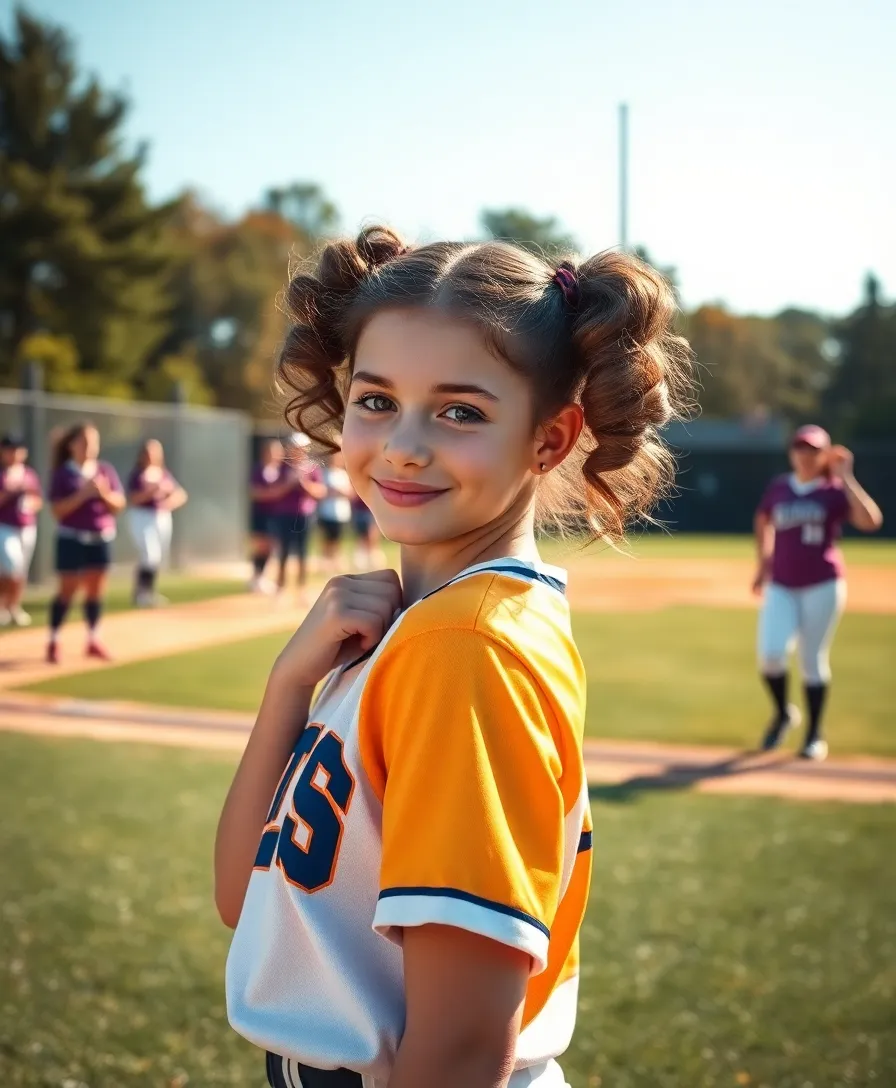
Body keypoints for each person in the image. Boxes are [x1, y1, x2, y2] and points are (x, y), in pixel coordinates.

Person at [216, 226, 694, 1088]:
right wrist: (291, 682)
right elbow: (245, 903)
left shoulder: (465, 646)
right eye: (374, 400)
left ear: (550, 441)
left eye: (460, 411)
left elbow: (464, 1047)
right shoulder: (430, 626)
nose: (403, 443)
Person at [753, 424, 883, 760]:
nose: (804, 454)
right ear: (791, 452)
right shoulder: (780, 487)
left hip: (822, 585)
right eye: (799, 447)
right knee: (770, 655)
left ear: (824, 454)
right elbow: (763, 519)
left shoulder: (833, 490)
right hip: (781, 583)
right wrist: (763, 563)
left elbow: (870, 521)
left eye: (812, 448)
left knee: (812, 660)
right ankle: (783, 714)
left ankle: (813, 735)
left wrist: (847, 477)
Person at [47, 422, 126, 664]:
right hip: (71, 537)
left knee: (95, 590)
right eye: (84, 441)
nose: (90, 447)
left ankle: (93, 639)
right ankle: (54, 640)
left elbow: (119, 505)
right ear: (72, 445)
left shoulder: (104, 470)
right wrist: (83, 494)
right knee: (68, 590)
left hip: (100, 537)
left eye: (94, 442)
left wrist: (102, 494)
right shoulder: (63, 473)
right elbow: (58, 510)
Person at [126, 439, 188, 607]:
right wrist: (151, 492)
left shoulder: (163, 473)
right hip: (142, 516)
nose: (150, 455)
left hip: (161, 516)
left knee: (157, 557)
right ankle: (141, 593)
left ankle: (148, 592)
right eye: (147, 452)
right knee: (149, 554)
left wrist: (168, 503)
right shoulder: (138, 474)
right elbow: (133, 498)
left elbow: (181, 494)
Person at [270, 433, 326, 598]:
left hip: (304, 515)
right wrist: (288, 484)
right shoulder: (282, 467)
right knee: (284, 552)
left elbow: (320, 492)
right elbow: (274, 491)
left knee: (303, 552)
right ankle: (280, 588)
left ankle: (302, 589)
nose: (297, 451)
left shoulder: (312, 467)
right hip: (284, 514)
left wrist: (304, 484)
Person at [0, 434, 42, 627]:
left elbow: (38, 501)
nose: (15, 453)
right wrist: (11, 492)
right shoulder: (2, 474)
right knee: (11, 564)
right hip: (5, 525)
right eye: (10, 449)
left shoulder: (29, 474)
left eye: (18, 449)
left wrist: (30, 501)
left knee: (21, 570)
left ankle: (14, 607)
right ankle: (3, 606)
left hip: (27, 526)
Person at [248, 440, 286, 593]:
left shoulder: (282, 470)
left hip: (276, 514)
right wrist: (274, 493)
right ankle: (256, 576)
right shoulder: (258, 470)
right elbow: (255, 492)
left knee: (271, 545)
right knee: (260, 546)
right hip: (261, 513)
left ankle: (262, 576)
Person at [316, 448, 354, 571]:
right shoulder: (324, 473)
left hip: (341, 512)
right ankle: (326, 561)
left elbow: (350, 492)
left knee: (337, 538)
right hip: (327, 511)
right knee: (327, 537)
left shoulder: (343, 474)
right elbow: (321, 491)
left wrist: (340, 492)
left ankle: (335, 560)